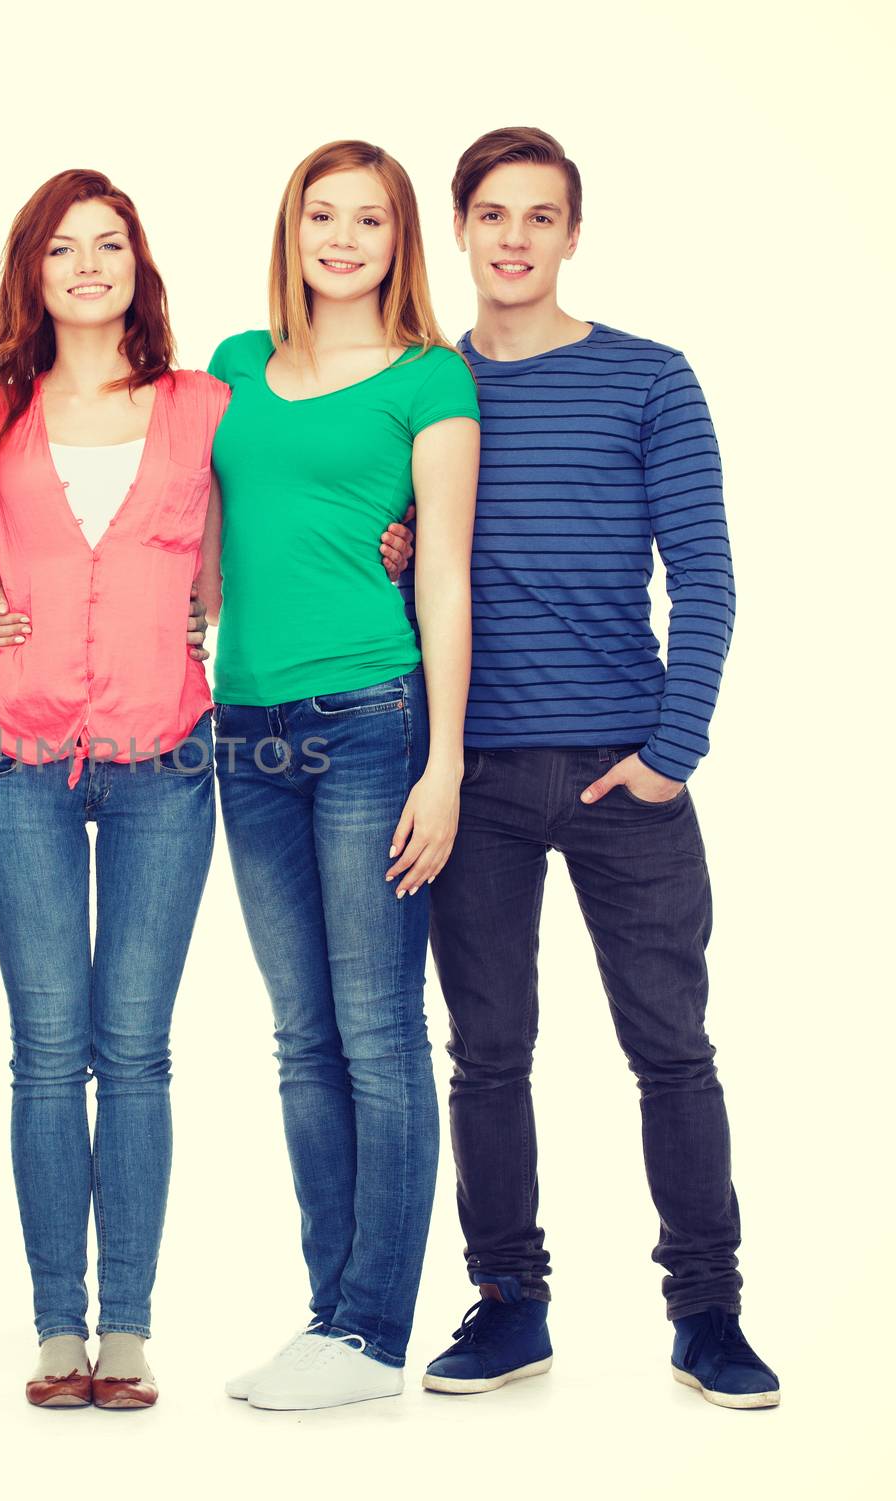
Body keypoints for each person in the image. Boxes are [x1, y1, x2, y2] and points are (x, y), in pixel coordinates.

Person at [415, 126, 778, 1410]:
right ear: (457, 228)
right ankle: (510, 1303)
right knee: (486, 1051)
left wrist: (671, 754)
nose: (513, 238)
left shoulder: (648, 380)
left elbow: (709, 576)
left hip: (627, 776)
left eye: (540, 216)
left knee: (670, 1048)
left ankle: (708, 1312)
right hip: (474, 778)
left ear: (573, 235)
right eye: (491, 214)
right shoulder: (422, 389)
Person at [206, 139, 479, 1412]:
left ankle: (372, 1330)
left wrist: (445, 764)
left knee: (375, 1031)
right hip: (242, 732)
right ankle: (330, 1316)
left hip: (372, 717)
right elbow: (194, 541)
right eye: (321, 214)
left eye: (368, 218)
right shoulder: (233, 368)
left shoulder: (431, 380)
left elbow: (441, 572)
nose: (342, 237)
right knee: (301, 1037)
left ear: (397, 238)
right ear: (292, 228)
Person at [0, 170, 224, 1410]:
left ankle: (125, 1327)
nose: (85, 263)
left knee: (135, 1049)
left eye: (106, 243)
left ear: (137, 262)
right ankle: (54, 1328)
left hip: (164, 761)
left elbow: (255, 547)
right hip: (14, 760)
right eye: (60, 246)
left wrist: (386, 544)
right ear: (31, 270)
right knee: (41, 1049)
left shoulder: (202, 405)